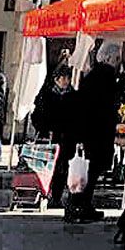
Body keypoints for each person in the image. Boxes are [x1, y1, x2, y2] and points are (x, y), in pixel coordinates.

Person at [65, 41, 123, 223]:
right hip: (98, 133)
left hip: (89, 132)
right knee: (90, 174)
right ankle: (80, 206)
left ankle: (77, 205)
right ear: (111, 58)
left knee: (88, 173)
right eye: (118, 58)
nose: (119, 62)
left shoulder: (92, 76)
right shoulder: (106, 77)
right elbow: (107, 107)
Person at [34, 66, 78, 208]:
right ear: (56, 79)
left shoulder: (73, 96)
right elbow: (37, 116)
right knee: (46, 168)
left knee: (62, 168)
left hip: (66, 138)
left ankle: (56, 197)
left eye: (68, 78)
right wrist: (44, 129)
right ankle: (44, 193)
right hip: (49, 137)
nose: (66, 81)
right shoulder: (46, 95)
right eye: (63, 78)